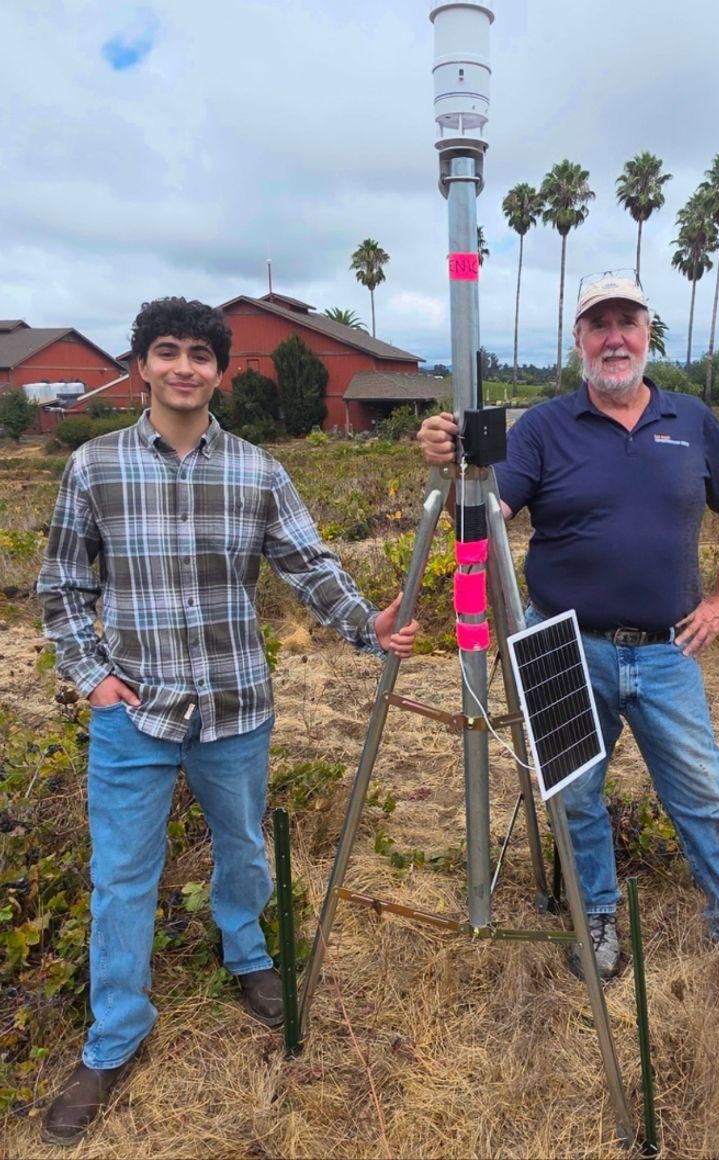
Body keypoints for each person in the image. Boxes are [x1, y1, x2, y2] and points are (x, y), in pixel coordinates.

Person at [36, 297, 419, 1146]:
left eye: (200, 355)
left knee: (242, 848)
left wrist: (368, 625)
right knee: (123, 876)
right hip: (134, 713)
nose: (183, 367)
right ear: (141, 366)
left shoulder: (257, 471)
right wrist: (94, 679)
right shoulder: (94, 468)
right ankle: (113, 1039)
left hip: (235, 704)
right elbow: (61, 588)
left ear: (219, 372)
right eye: (167, 352)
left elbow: (307, 563)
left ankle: (246, 955)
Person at [416, 273, 719, 997]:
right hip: (561, 643)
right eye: (598, 325)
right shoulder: (544, 428)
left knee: (705, 796)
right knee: (576, 795)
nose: (613, 338)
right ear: (579, 342)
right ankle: (595, 915)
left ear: (649, 332)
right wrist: (451, 462)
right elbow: (486, 514)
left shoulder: (692, 419)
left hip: (666, 649)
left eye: (627, 322)